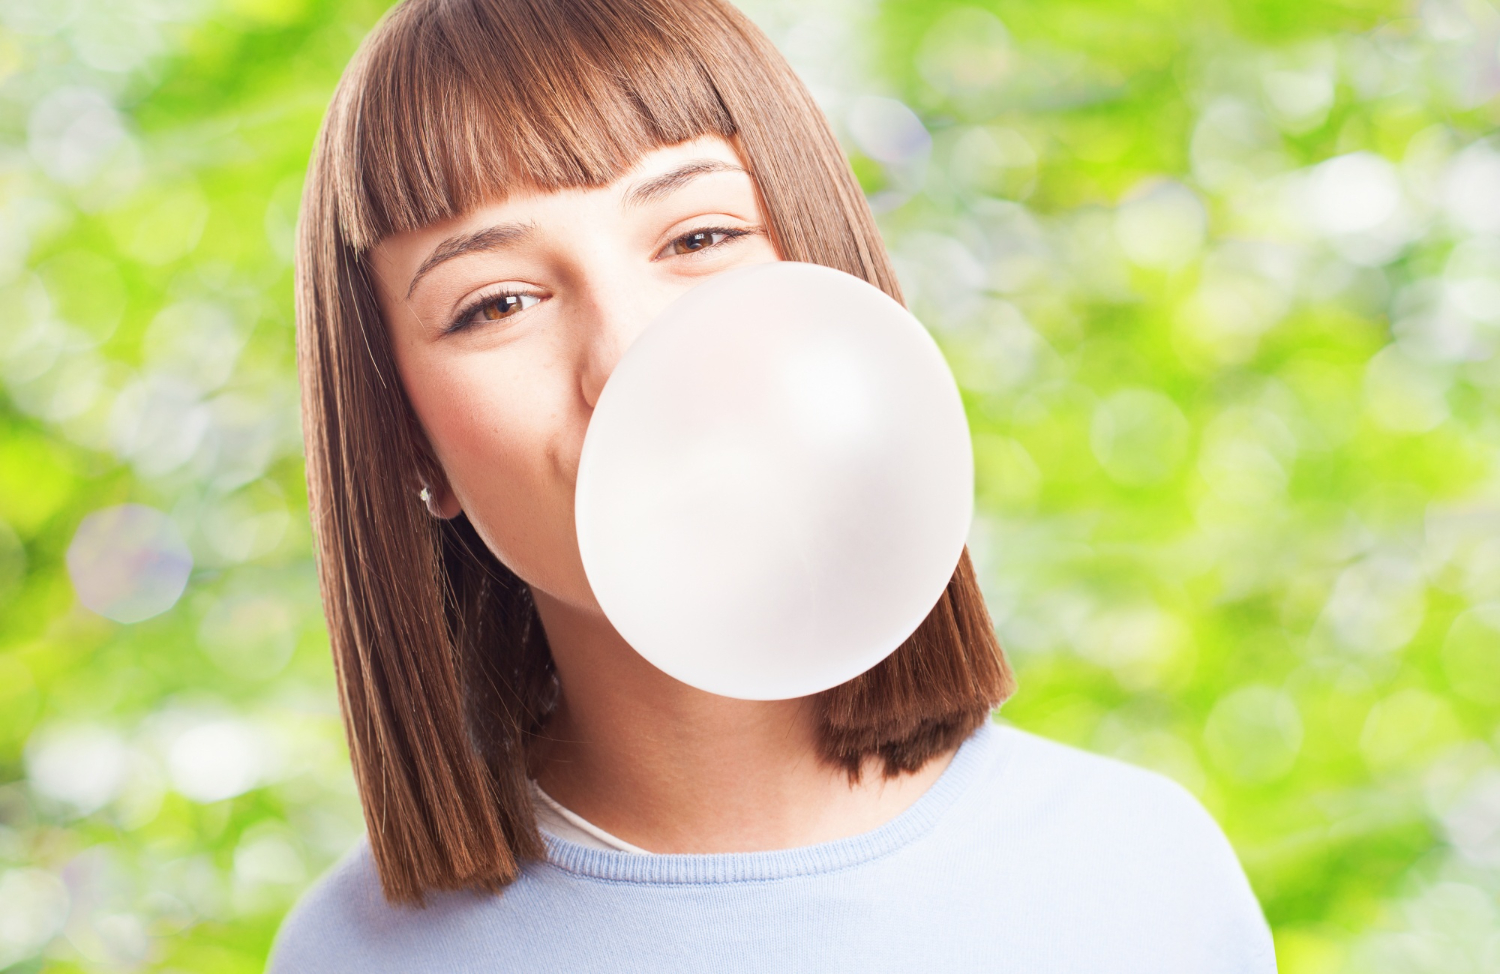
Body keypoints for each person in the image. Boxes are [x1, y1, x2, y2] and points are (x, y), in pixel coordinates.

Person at [268, 0, 1277, 970]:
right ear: (409, 442)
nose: (628, 357)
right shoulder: (350, 957)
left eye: (698, 238)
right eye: (496, 303)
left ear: (828, 271)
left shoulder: (1142, 880)